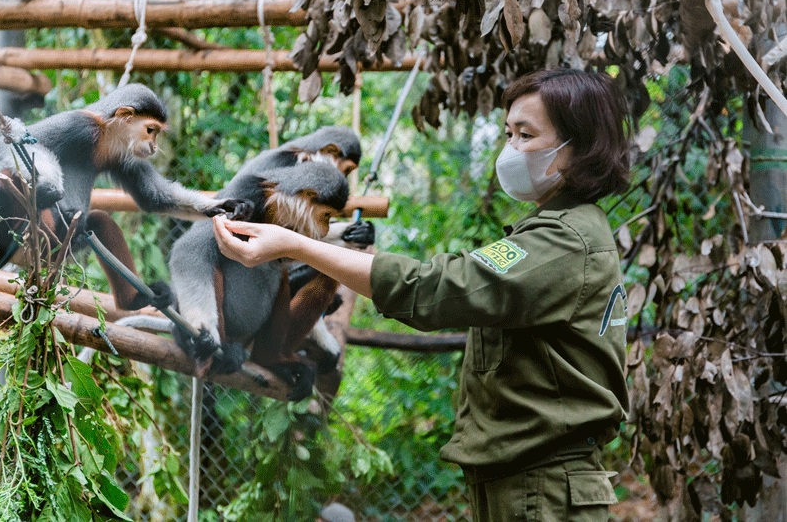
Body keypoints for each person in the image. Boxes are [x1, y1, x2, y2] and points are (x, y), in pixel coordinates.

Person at [213, 68, 632, 522]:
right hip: (526, 479)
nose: (509, 150)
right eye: (507, 133)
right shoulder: (558, 231)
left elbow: (439, 289)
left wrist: (299, 245)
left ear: (577, 149)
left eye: (525, 135)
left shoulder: (565, 241)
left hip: (543, 486)